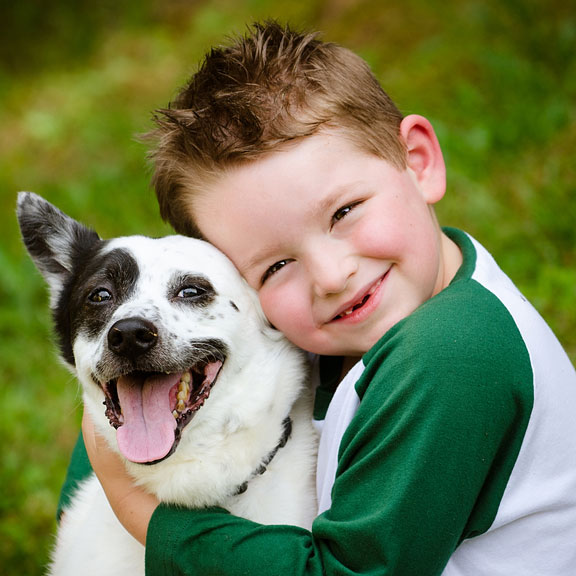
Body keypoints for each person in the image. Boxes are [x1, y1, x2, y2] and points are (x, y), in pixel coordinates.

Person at [69, 20, 576, 575]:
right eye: (278, 265)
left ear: (419, 160)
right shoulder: (371, 318)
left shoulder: (451, 355)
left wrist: (138, 508)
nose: (332, 277)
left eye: (344, 212)